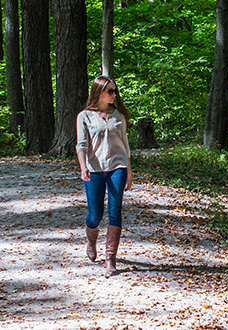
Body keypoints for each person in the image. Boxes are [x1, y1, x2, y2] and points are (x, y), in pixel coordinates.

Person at [76, 75, 133, 277]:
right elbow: (81, 145)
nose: (114, 95)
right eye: (110, 91)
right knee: (95, 215)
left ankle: (110, 259)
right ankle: (91, 239)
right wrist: (83, 167)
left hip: (117, 167)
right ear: (99, 92)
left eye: (115, 91)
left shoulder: (119, 116)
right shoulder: (85, 116)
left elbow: (125, 146)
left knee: (115, 210)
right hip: (95, 169)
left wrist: (129, 172)